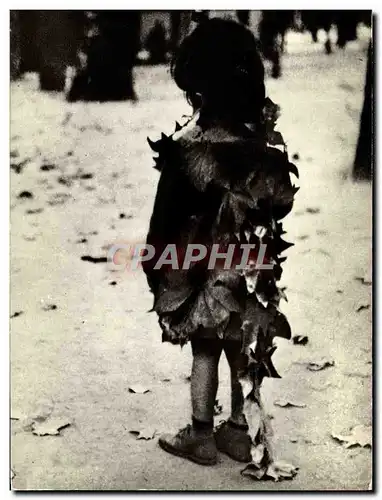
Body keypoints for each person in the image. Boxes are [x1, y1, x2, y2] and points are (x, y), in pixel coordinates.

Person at [143, 18, 298, 478]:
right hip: (249, 269)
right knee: (239, 346)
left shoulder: (186, 150)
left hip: (200, 271)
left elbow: (164, 219)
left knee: (204, 349)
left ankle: (201, 434)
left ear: (197, 88)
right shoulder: (264, 147)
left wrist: (157, 261)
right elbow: (280, 205)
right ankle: (235, 427)